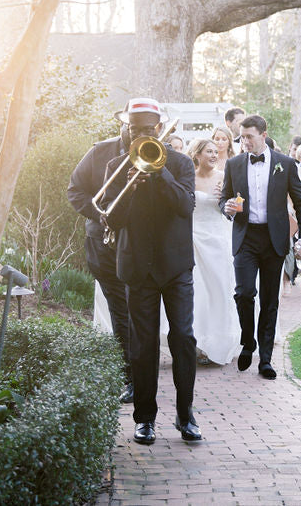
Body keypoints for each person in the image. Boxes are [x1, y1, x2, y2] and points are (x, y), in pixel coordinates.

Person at [100, 97, 201, 445]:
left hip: (175, 266)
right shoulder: (117, 165)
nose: (140, 134)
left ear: (158, 129)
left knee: (184, 339)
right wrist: (130, 188)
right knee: (142, 346)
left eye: (146, 129)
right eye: (134, 129)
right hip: (137, 267)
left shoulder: (180, 163)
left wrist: (160, 176)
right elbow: (112, 218)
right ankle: (144, 419)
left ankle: (185, 415)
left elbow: (185, 206)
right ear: (127, 130)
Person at [219, 114, 301, 380]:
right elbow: (225, 198)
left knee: (270, 300)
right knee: (244, 293)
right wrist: (226, 208)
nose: (244, 142)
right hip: (246, 237)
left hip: (274, 239)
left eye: (249, 137)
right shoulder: (234, 164)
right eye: (242, 137)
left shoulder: (286, 164)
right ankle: (248, 341)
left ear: (263, 134)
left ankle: (266, 359)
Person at [67, 122, 134, 405]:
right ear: (121, 125)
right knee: (120, 310)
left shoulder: (161, 152)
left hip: (143, 245)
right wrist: (100, 214)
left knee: (141, 311)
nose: (134, 130)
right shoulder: (99, 152)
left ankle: (142, 373)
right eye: (129, 124)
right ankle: (129, 377)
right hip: (105, 243)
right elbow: (76, 191)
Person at [187, 138, 242, 365]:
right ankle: (197, 343)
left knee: (219, 289)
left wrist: (227, 201)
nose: (213, 155)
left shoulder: (224, 177)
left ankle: (219, 343)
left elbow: (238, 207)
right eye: (208, 151)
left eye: (215, 152)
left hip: (218, 239)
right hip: (193, 239)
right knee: (197, 292)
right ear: (197, 155)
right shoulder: (189, 178)